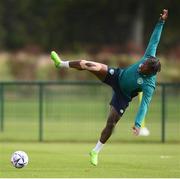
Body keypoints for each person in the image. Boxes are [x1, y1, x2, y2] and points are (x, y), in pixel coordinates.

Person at [50, 9, 168, 166]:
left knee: (111, 124)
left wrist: (138, 124)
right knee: (88, 64)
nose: (141, 66)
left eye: (144, 68)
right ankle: (60, 64)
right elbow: (155, 40)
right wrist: (161, 22)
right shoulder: (149, 57)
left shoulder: (149, 85)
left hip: (123, 96)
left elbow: (144, 105)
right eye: (143, 64)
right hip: (116, 75)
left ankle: (95, 151)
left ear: (150, 72)